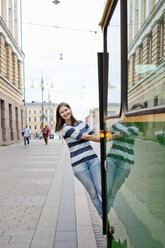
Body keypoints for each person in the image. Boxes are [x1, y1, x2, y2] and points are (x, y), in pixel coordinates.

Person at [55, 102, 103, 218]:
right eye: (62, 112)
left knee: (101, 189)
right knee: (93, 194)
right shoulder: (66, 128)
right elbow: (87, 137)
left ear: (70, 109)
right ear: (60, 115)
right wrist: (107, 138)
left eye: (66, 110)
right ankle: (105, 220)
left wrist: (103, 135)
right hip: (79, 166)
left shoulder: (82, 124)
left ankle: (110, 214)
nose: (65, 113)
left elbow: (95, 134)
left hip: (93, 160)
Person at [106, 103, 143, 212]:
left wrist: (109, 136)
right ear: (130, 112)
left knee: (113, 191)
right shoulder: (116, 125)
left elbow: (118, 135)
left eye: (139, 113)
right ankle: (104, 217)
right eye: (135, 111)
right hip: (112, 159)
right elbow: (111, 133)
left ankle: (104, 217)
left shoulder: (135, 128)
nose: (136, 114)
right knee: (107, 188)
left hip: (125, 163)